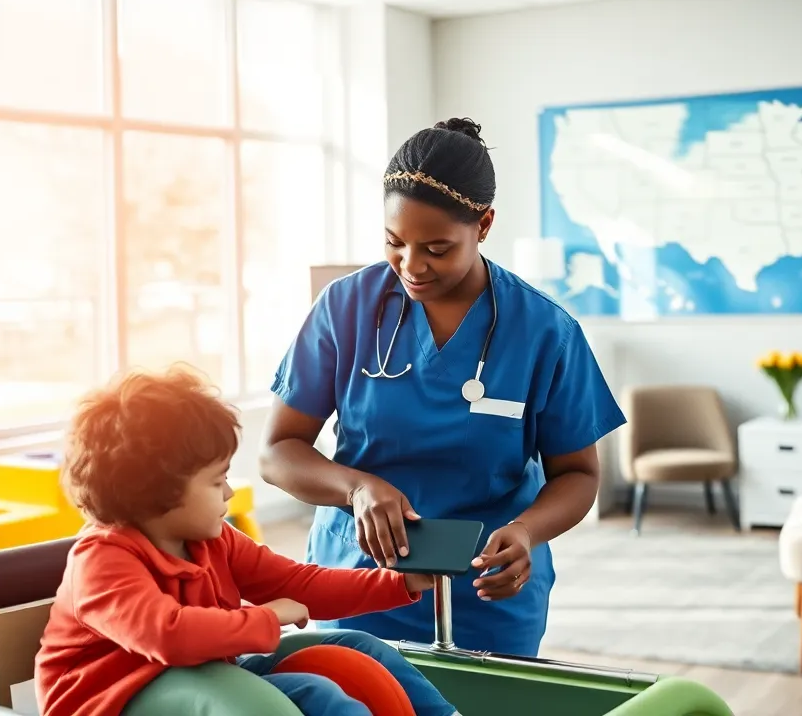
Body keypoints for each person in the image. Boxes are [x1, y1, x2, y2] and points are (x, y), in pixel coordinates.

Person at [261, 117, 627, 657]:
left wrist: (526, 531)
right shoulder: (346, 308)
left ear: (483, 225)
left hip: (487, 589)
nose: (412, 266)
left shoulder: (545, 331)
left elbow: (577, 475)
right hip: (358, 582)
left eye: (436, 248)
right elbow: (276, 452)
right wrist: (356, 488)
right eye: (395, 243)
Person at [34, 367, 462, 716]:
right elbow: (168, 635)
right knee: (260, 704)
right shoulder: (102, 559)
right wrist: (268, 618)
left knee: (351, 658)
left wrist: (398, 583)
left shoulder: (212, 539)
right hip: (113, 699)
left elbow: (299, 584)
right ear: (154, 492)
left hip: (205, 672)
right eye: (216, 480)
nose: (229, 493)